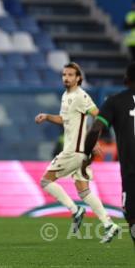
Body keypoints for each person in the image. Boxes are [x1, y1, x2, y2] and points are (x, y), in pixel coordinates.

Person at [35, 62, 120, 243]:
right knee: (84, 192)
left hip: (74, 150)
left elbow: (98, 115)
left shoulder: (81, 96)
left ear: (78, 78)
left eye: (70, 75)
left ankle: (75, 210)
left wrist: (94, 138)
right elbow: (64, 120)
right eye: (64, 74)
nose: (66, 78)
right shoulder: (66, 96)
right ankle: (109, 225)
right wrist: (47, 117)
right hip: (80, 151)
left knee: (45, 180)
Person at [81, 62, 135, 247]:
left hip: (131, 173)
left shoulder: (115, 101)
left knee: (133, 218)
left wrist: (86, 156)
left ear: (126, 78)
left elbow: (96, 128)